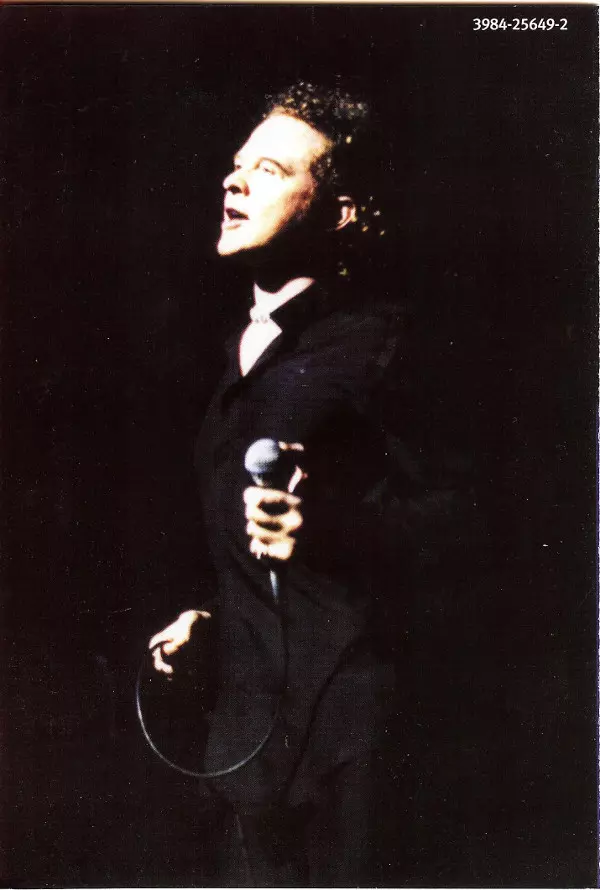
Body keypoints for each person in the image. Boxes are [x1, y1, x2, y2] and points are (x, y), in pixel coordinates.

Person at [145, 82, 475, 886]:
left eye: (270, 169)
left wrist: (326, 530)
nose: (235, 181)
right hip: (247, 739)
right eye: (236, 165)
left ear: (340, 214)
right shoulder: (235, 346)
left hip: (352, 743)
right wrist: (211, 614)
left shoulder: (379, 343)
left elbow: (472, 521)